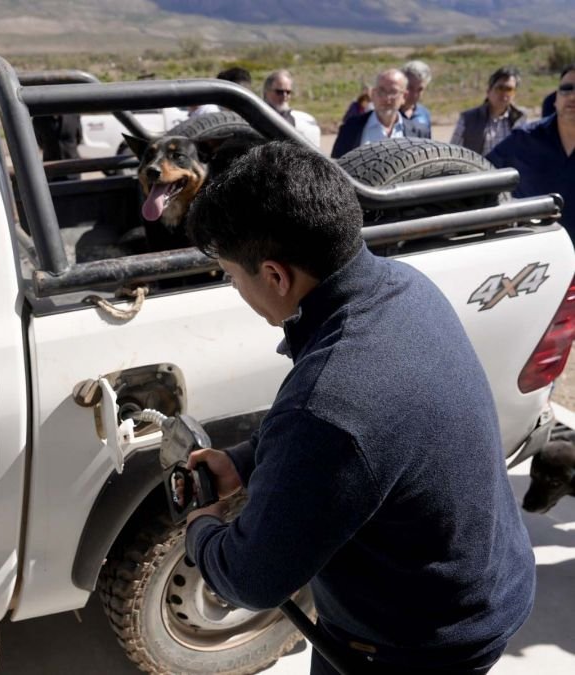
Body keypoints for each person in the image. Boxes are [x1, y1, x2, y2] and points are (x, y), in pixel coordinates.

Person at [183, 140, 535, 674]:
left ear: (276, 276)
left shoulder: (330, 398)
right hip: (484, 586)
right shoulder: (402, 286)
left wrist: (201, 527)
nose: (235, 288)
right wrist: (245, 460)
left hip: (414, 646)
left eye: (232, 275)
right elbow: (359, 438)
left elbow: (253, 578)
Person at [488, 63, 575, 240]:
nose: (573, 96)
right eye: (566, 89)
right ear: (556, 98)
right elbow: (481, 170)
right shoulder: (525, 139)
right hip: (539, 255)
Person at [331, 68, 428, 159]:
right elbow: (335, 170)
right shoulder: (350, 129)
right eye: (381, 91)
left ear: (404, 96)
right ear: (373, 94)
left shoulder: (419, 133)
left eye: (393, 92)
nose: (386, 98)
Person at [450, 66, 526, 156]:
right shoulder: (468, 119)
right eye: (500, 88)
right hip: (479, 169)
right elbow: (453, 154)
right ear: (489, 91)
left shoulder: (519, 119)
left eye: (509, 89)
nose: (504, 94)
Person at [263, 69, 321, 148]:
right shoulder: (257, 116)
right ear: (266, 92)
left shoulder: (297, 120)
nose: (284, 95)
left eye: (288, 92)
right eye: (279, 92)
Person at [400, 60, 433, 137]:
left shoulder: (424, 114)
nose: (414, 94)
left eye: (420, 89)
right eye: (410, 88)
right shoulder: (389, 114)